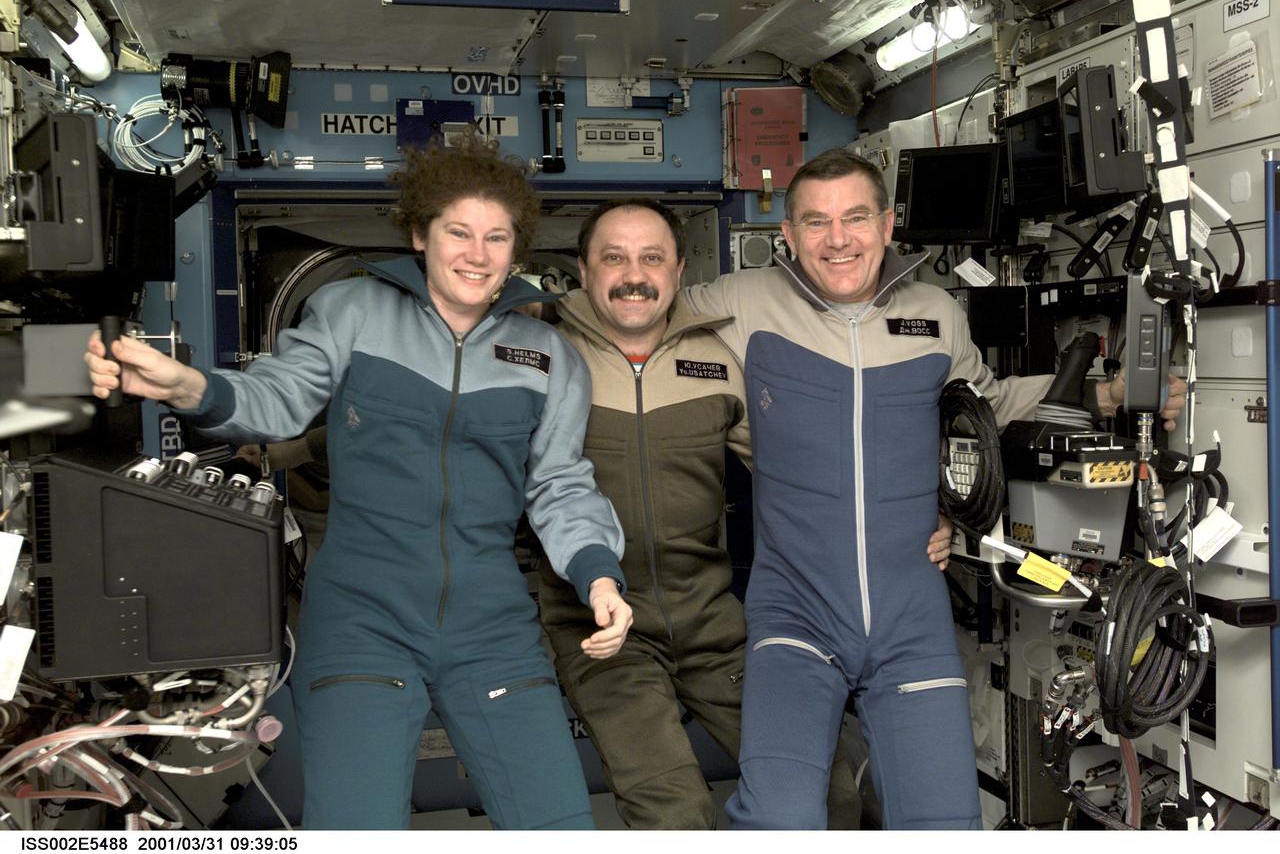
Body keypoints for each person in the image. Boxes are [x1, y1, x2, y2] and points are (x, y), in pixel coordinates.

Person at [85, 137, 633, 830]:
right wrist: (192, 387)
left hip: (492, 622)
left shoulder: (550, 357)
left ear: (515, 248)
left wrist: (599, 577)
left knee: (560, 827)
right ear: (419, 234)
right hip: (361, 617)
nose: (477, 252)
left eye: (497, 236)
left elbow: (559, 483)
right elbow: (278, 399)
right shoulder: (353, 311)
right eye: (458, 231)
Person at [682, 147, 1186, 829]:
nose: (838, 239)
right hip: (797, 612)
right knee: (779, 818)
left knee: (946, 823)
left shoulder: (935, 313)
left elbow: (987, 407)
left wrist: (1107, 395)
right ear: (790, 235)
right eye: (817, 222)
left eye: (855, 217)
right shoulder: (740, 303)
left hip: (910, 612)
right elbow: (633, 323)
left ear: (887, 225)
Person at [538, 198, 942, 828]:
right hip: (600, 629)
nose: (634, 274)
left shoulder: (719, 358)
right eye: (613, 258)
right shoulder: (542, 357)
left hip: (712, 621)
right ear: (583, 271)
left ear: (679, 271)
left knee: (832, 790)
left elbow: (803, 473)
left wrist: (926, 520)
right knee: (675, 812)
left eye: (652, 257)